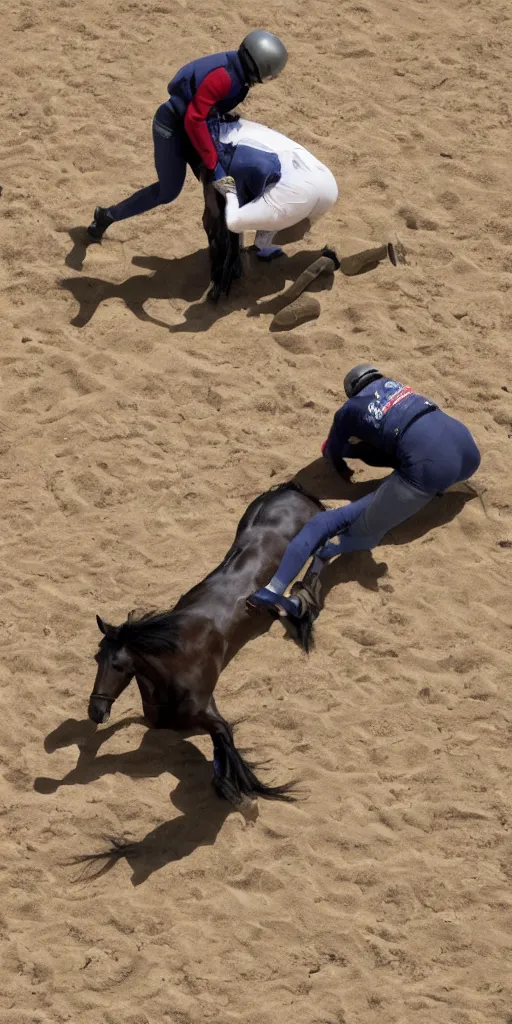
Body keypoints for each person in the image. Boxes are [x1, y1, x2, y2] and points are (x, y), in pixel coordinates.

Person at [247, 363, 481, 618]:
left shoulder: (349, 409)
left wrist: (345, 457)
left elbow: (330, 451)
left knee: (335, 525)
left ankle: (273, 589)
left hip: (428, 469)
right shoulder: (399, 388)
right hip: (468, 451)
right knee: (398, 447)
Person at [86, 30, 288, 240]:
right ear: (257, 66)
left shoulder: (236, 72)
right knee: (169, 191)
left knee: (222, 182)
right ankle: (108, 215)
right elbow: (194, 118)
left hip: (193, 127)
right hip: (172, 128)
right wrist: (211, 161)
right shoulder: (225, 77)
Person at [210, 116, 338, 259]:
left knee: (240, 216)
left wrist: (227, 190)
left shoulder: (222, 148)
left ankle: (260, 247)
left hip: (294, 193)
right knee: (271, 197)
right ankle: (265, 245)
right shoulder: (246, 126)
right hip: (327, 182)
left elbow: (234, 216)